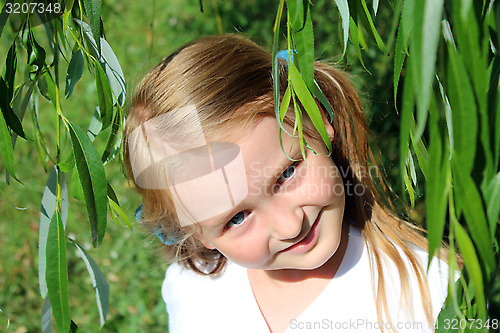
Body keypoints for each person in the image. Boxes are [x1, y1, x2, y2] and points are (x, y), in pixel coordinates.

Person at [123, 34, 456, 332]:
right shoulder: (190, 291)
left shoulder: (432, 294)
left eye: (286, 174)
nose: (289, 225)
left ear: (317, 121)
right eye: (236, 219)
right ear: (197, 233)